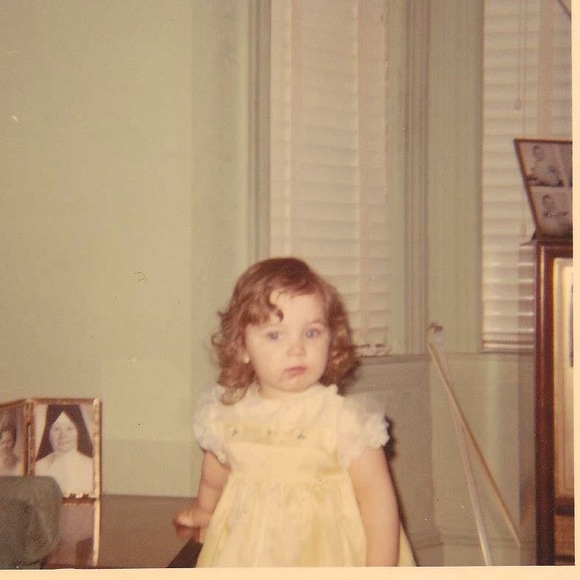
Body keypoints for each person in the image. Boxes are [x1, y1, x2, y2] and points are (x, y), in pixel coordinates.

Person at [174, 257, 415, 567]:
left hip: (326, 557)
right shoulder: (228, 416)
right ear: (242, 347)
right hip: (247, 556)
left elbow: (378, 504)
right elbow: (214, 475)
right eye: (275, 335)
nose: (297, 349)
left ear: (331, 339)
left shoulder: (344, 421)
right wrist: (204, 511)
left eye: (311, 333)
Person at [35, 404, 94, 496]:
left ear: (78, 432)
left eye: (69, 428)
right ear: (48, 434)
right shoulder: (38, 467)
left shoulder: (91, 466)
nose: (63, 435)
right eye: (56, 429)